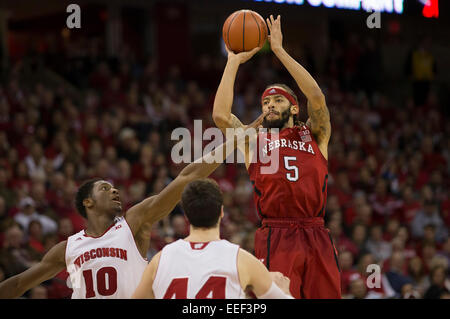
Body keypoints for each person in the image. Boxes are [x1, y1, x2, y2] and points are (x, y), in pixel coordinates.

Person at [0, 115, 264, 299]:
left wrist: (232, 144)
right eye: (104, 188)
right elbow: (21, 283)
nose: (114, 190)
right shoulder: (67, 248)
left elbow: (186, 177)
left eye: (114, 187)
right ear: (87, 202)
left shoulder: (134, 222)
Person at [212, 15, 339, 298]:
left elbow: (316, 97)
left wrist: (280, 52)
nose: (269, 105)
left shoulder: (316, 134)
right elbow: (220, 116)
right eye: (265, 101)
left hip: (316, 232)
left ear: (294, 109)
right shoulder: (254, 141)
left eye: (278, 100)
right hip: (277, 235)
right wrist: (233, 61)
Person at [132, 179, 293, 299]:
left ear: (186, 215)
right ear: (222, 212)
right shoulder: (241, 259)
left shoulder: (160, 259)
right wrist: (284, 290)